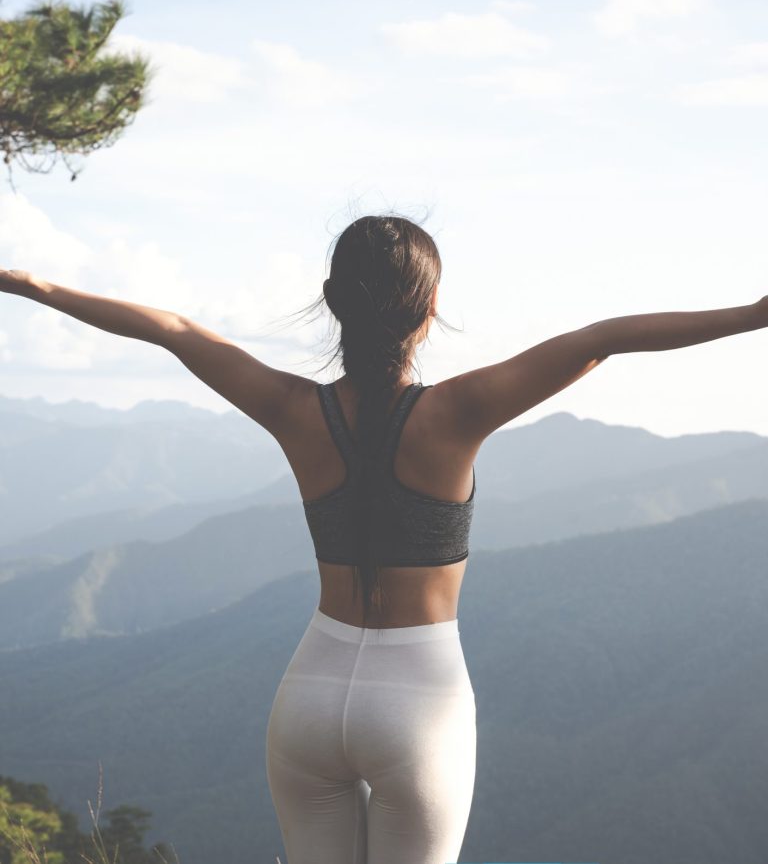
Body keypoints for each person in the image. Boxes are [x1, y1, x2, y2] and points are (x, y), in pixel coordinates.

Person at [2, 215, 766, 864]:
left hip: (308, 692)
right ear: (430, 307)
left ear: (332, 302)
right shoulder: (459, 411)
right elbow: (606, 337)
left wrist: (34, 285)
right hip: (420, 701)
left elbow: (171, 331)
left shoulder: (291, 407)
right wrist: (755, 314)